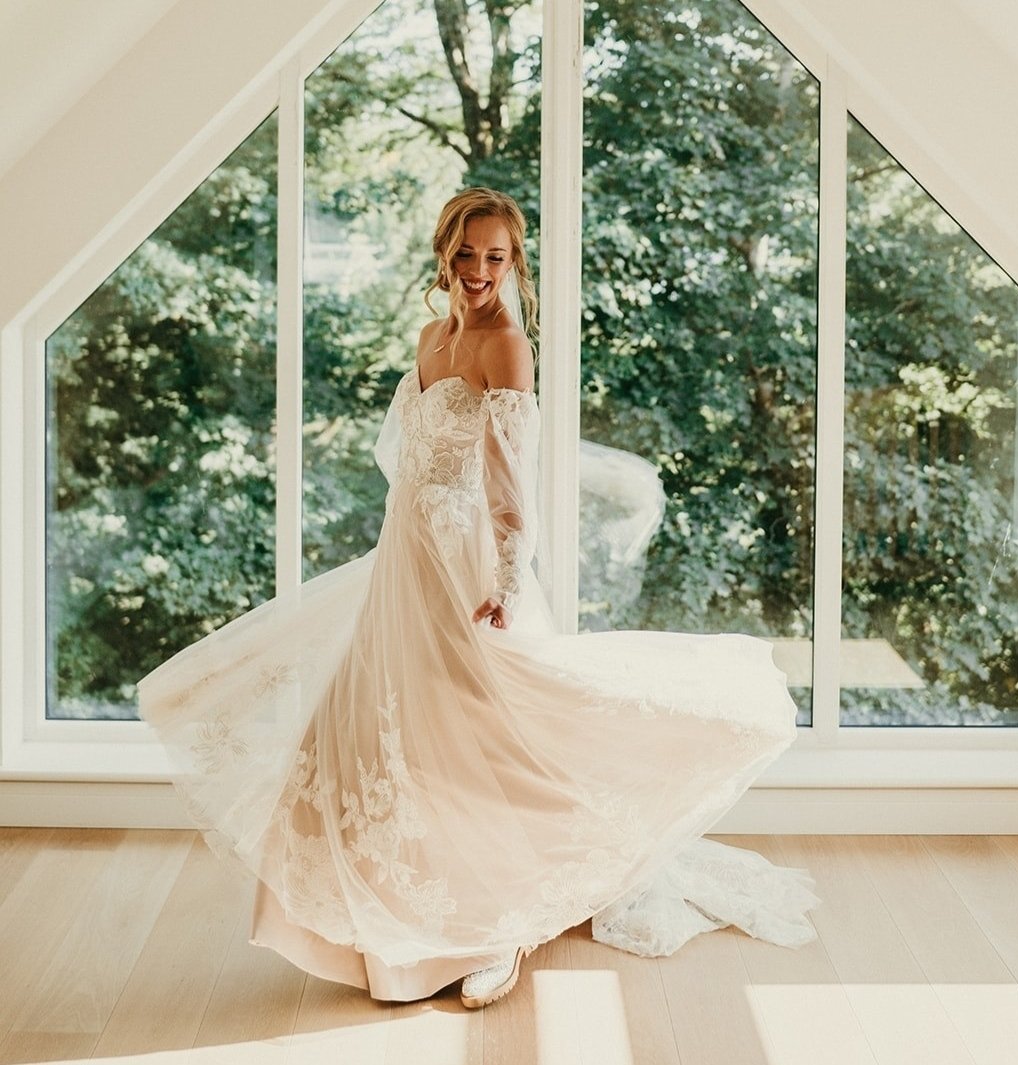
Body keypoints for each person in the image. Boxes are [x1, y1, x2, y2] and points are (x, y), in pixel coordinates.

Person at [137, 186, 819, 1011]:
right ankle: (382, 934)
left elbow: (508, 473)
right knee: (382, 736)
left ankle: (497, 927)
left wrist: (504, 573)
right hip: (405, 560)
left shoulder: (505, 345)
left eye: (495, 257)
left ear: (513, 263)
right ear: (444, 254)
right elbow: (413, 455)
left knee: (477, 740)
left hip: (467, 570)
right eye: (466, 254)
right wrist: (413, 528)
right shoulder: (431, 338)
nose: (478, 272)